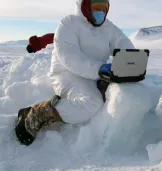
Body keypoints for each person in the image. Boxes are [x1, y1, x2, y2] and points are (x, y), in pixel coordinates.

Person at [15, 0, 135, 146]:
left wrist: (131, 62)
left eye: (104, 9)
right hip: (67, 74)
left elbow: (124, 44)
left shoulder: (108, 28)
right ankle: (37, 114)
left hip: (95, 75)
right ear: (85, 6)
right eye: (97, 8)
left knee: (125, 92)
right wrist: (99, 69)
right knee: (92, 102)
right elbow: (70, 57)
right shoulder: (68, 24)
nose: (101, 13)